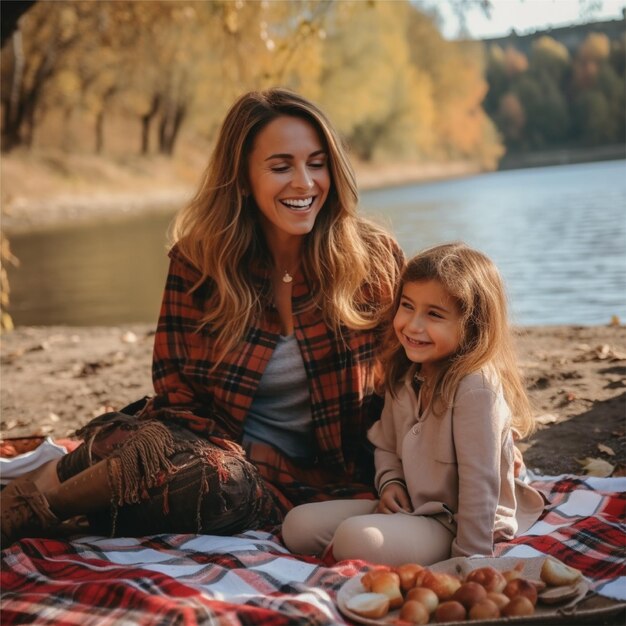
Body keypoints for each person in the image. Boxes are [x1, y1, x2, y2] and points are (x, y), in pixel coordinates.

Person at [0, 88, 403, 546]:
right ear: (244, 178)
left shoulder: (373, 261)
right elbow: (176, 393)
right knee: (139, 447)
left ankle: (49, 508)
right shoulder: (201, 262)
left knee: (214, 485)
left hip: (303, 481)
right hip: (212, 446)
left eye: (317, 162)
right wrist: (202, 451)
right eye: (280, 166)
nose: (305, 183)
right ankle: (35, 499)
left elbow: (410, 377)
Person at [281, 242, 544, 566]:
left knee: (355, 537)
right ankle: (382, 538)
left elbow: (481, 485)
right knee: (296, 525)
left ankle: (377, 544)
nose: (413, 325)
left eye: (434, 314)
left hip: (456, 523)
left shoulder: (476, 389)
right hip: (414, 506)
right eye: (407, 306)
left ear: (472, 324)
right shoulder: (406, 372)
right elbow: (387, 446)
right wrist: (390, 482)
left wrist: (468, 562)